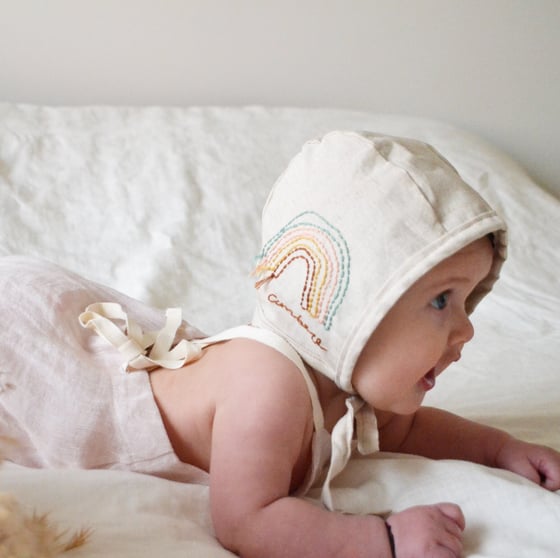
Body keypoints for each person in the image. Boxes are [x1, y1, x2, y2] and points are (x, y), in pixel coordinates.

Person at [1, 131, 559, 558]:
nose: (466, 331)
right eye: (442, 301)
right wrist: (382, 539)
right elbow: (247, 521)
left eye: (466, 302)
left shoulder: (339, 385)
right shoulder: (270, 388)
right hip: (54, 385)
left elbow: (411, 429)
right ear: (353, 307)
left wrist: (501, 451)